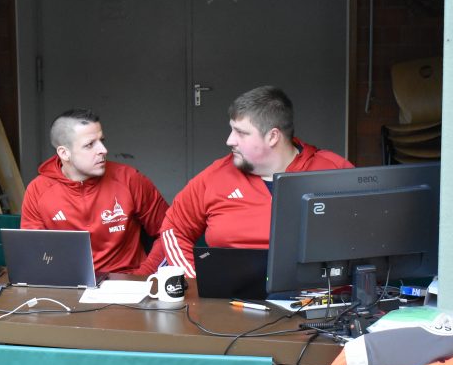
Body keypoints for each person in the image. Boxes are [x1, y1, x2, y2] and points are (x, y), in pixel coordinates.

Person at [160, 86, 353, 278]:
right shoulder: (214, 177)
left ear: (272, 136)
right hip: (232, 293)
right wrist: (198, 281)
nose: (229, 140)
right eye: (232, 130)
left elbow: (364, 234)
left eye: (240, 132)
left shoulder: (334, 170)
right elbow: (173, 229)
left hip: (315, 292)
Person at [21, 109, 168, 274]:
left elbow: (170, 232)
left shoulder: (130, 179)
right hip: (68, 283)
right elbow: (34, 250)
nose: (103, 150)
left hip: (126, 281)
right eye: (90, 145)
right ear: (64, 153)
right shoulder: (38, 190)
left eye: (101, 141)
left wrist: (143, 275)